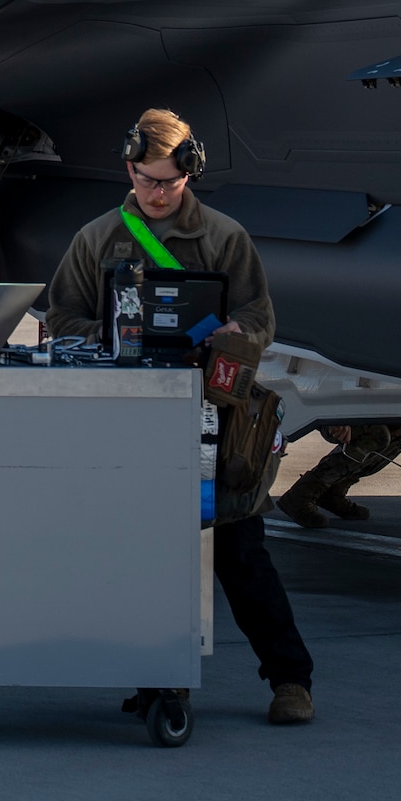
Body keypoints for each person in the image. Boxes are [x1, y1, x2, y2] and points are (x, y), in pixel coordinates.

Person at [45, 108, 315, 726]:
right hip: (128, 422)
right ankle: (162, 682)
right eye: (144, 179)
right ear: (129, 171)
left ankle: (291, 680)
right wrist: (121, 335)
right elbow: (61, 318)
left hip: (212, 419)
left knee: (239, 551)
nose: (156, 193)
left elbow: (261, 318)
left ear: (189, 173)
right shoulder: (97, 240)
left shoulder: (224, 238)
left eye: (168, 181)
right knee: (144, 556)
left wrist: (232, 334)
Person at [278, 424, 401, 528]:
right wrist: (341, 415)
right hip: (334, 404)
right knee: (377, 435)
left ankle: (332, 490)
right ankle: (300, 495)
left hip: (368, 404)